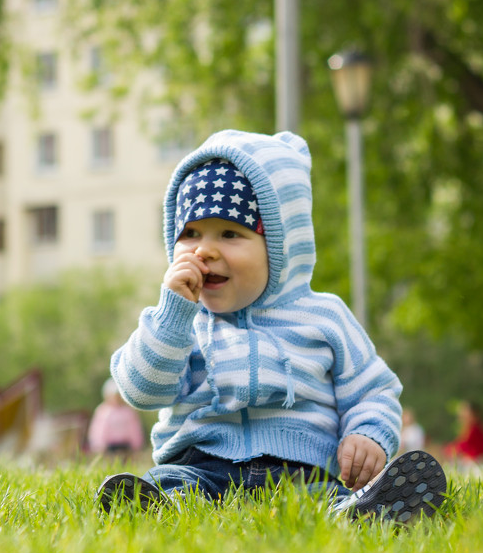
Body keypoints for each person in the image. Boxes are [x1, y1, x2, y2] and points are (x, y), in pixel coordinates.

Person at [94, 129, 446, 524]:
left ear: (281, 246)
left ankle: (358, 511)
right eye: (190, 233)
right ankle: (164, 509)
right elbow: (142, 390)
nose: (204, 250)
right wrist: (173, 314)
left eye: (230, 233)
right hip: (203, 468)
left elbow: (372, 390)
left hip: (302, 470)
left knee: (322, 498)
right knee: (176, 483)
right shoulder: (178, 322)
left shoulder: (324, 317)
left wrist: (367, 434)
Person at [87, 378, 146, 456]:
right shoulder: (103, 411)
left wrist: (136, 444)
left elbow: (134, 428)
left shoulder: (128, 412)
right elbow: (98, 429)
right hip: (109, 446)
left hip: (126, 445)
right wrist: (98, 445)